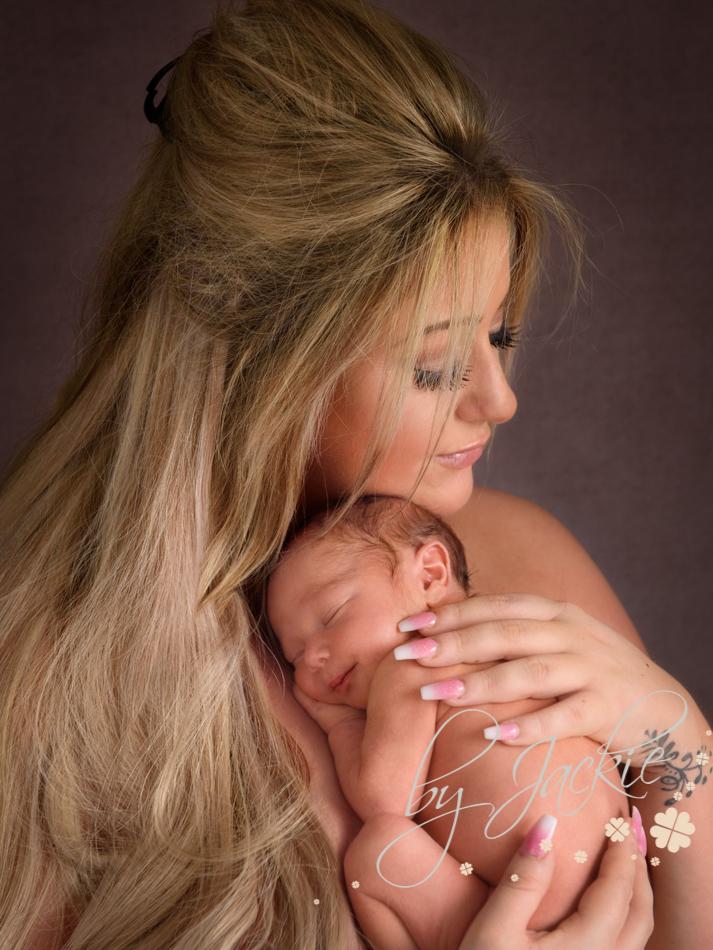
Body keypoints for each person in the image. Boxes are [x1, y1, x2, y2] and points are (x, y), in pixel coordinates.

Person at [1, 0, 693, 946]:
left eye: (499, 337)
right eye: (436, 363)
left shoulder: (520, 552)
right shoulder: (50, 687)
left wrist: (678, 740)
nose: (499, 401)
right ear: (254, 356)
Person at [266, 494, 634, 948]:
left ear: (430, 574)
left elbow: (385, 802)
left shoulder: (410, 662)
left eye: (332, 615)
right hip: (617, 874)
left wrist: (340, 726)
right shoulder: (521, 628)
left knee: (376, 852)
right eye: (295, 655)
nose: (315, 657)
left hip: (524, 903)